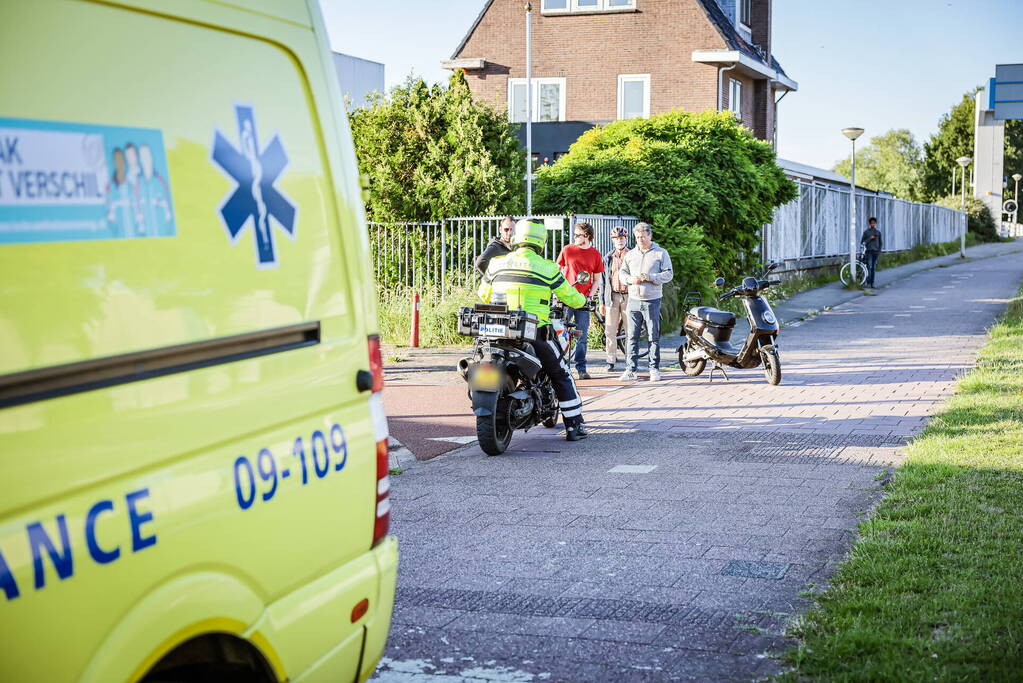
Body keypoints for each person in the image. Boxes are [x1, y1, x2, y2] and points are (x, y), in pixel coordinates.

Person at [479, 219, 590, 441]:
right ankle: (574, 427)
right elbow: (570, 296)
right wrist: (584, 301)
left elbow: (484, 295)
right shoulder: (548, 268)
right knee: (561, 373)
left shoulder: (495, 264)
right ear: (541, 241)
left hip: (498, 330)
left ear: (517, 237)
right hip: (535, 331)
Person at [619, 222, 673, 382]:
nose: (640, 240)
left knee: (653, 336)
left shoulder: (661, 253)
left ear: (650, 236)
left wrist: (651, 278)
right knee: (631, 337)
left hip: (652, 300)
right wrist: (630, 279)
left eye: (643, 236)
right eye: (637, 237)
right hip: (633, 300)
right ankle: (630, 370)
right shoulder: (630, 255)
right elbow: (622, 273)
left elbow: (669, 274)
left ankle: (654, 369)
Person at [556, 221, 604, 380]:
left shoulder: (595, 254)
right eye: (575, 234)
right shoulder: (567, 250)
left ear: (587, 236)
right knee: (560, 334)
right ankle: (559, 366)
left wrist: (589, 296)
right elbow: (557, 270)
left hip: (583, 301)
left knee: (581, 336)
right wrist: (559, 291)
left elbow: (597, 279)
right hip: (566, 299)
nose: (575, 237)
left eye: (578, 235)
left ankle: (581, 368)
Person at [600, 225, 630, 373]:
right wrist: (602, 302)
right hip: (612, 296)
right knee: (610, 330)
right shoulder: (608, 258)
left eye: (622, 238)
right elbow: (603, 281)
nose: (620, 241)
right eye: (617, 238)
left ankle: (631, 360)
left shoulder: (632, 255)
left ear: (626, 239)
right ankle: (610, 360)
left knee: (630, 330)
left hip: (628, 296)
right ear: (613, 240)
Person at [860, 217, 883, 288]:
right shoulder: (866, 232)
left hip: (876, 252)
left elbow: (880, 243)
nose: (873, 224)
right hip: (869, 251)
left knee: (873, 267)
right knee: (869, 266)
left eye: (874, 223)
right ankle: (868, 282)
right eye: (871, 223)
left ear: (876, 224)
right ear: (869, 224)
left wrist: (879, 251)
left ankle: (872, 283)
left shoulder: (878, 232)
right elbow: (862, 242)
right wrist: (870, 238)